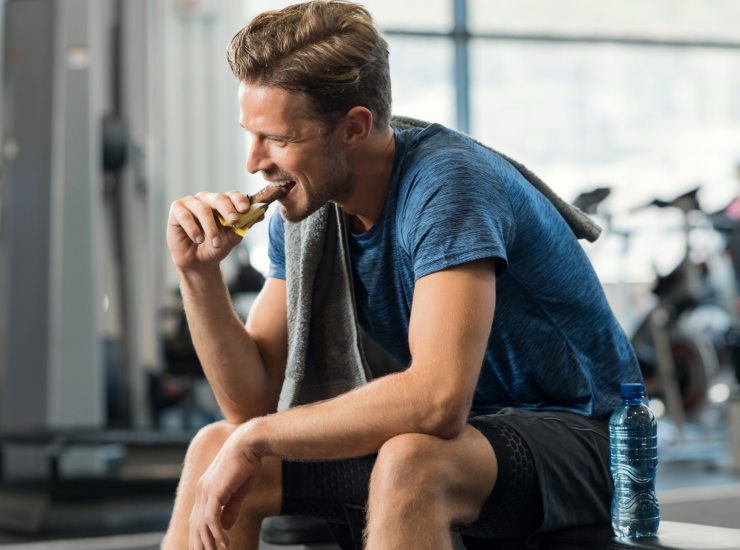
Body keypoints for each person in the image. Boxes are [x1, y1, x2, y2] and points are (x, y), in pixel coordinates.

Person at [162, 1, 642, 549]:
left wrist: (259, 437)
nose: (253, 162)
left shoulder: (448, 186)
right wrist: (197, 274)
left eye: (279, 139)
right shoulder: (304, 209)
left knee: (413, 461)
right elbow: (249, 406)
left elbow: (437, 401)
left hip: (593, 437)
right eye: (251, 135)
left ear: (354, 128)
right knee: (212, 447)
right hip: (472, 437)